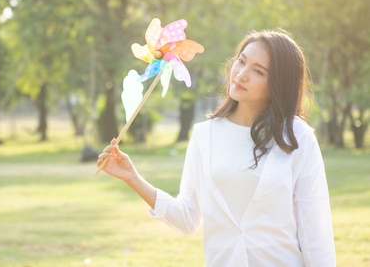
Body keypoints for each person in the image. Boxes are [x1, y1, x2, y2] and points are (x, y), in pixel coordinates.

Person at [97, 30, 336, 266]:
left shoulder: (298, 137)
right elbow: (187, 217)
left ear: (278, 83)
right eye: (241, 61)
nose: (241, 74)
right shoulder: (205, 135)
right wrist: (133, 178)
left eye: (258, 71)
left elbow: (315, 232)